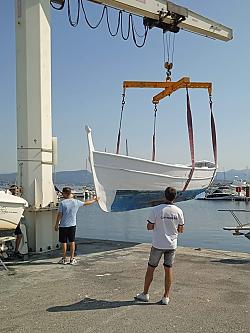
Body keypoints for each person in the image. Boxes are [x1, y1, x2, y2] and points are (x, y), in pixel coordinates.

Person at [135, 187, 184, 305]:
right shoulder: (179, 211)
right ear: (175, 197)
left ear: (164, 196)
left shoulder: (156, 210)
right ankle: (166, 297)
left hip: (158, 244)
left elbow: (149, 227)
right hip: (171, 245)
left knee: (151, 268)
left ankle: (145, 294)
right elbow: (181, 229)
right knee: (168, 269)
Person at [55, 187, 98, 265]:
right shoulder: (76, 202)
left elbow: (59, 215)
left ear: (64, 193)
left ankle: (64, 259)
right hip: (72, 225)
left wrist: (56, 224)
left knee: (63, 242)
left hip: (63, 225)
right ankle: (72, 259)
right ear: (70, 193)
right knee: (72, 242)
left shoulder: (62, 203)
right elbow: (86, 203)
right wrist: (94, 200)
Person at [9, 185, 23, 259]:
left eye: (17, 190)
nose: (16, 191)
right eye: (15, 190)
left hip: (16, 222)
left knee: (20, 235)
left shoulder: (17, 199)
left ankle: (16, 251)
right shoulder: (9, 198)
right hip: (10, 221)